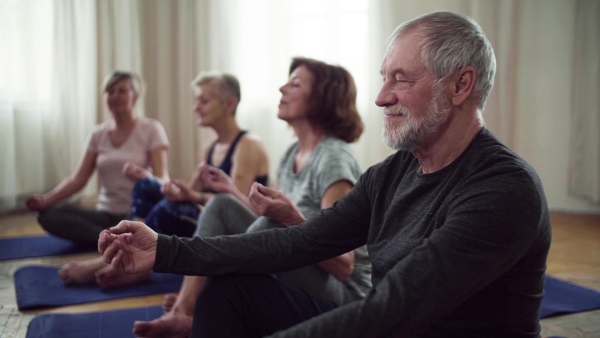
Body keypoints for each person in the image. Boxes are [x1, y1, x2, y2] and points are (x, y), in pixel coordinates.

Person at [100, 11, 552, 337]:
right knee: (228, 293)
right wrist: (163, 249)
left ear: (460, 85)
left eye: (401, 79)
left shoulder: (503, 190)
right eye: (383, 77)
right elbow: (300, 241)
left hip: (393, 325)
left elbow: (396, 309)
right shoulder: (391, 174)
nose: (380, 97)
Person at [132, 57, 372, 338]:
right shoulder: (291, 154)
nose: (282, 88)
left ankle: (197, 300)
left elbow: (345, 265)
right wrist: (231, 191)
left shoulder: (333, 158)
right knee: (222, 206)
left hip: (343, 294)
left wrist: (291, 218)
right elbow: (271, 221)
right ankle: (185, 309)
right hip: (309, 270)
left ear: (323, 98)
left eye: (295, 83)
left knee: (274, 229)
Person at [60, 71, 270, 288]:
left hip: (228, 232)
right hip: (203, 218)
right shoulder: (212, 146)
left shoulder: (247, 145)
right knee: (145, 186)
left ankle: (113, 258)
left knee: (170, 208)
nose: (195, 107)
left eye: (203, 101)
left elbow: (232, 207)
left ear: (229, 104)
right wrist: (158, 183)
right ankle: (129, 252)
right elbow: (190, 195)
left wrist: (190, 195)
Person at [25, 70, 169, 247]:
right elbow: (78, 179)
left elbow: (163, 180)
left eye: (122, 91)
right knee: (48, 215)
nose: (115, 96)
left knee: (157, 221)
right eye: (110, 91)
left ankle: (114, 238)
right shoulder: (97, 134)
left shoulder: (151, 129)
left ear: (136, 96)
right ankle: (113, 239)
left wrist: (145, 176)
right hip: (104, 215)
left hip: (137, 215)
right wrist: (45, 200)